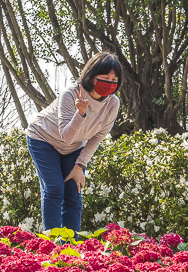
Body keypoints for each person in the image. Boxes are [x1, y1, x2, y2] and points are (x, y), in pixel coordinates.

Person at [26, 52, 121, 233]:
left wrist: (79, 167)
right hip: (43, 138)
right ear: (92, 77)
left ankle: (73, 247)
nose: (110, 83)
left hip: (75, 147)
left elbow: (98, 137)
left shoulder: (113, 104)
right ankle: (53, 244)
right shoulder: (71, 94)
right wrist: (81, 114)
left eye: (114, 78)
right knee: (54, 188)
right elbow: (66, 136)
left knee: (73, 192)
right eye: (105, 77)